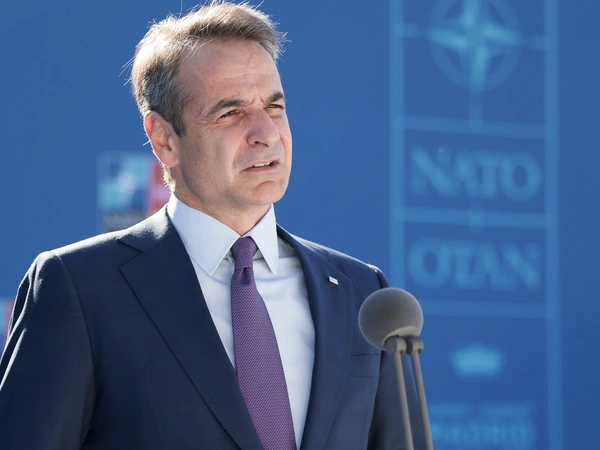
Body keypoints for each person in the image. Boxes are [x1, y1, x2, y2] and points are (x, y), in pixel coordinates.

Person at [0, 1, 424, 448]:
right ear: (164, 139)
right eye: (230, 113)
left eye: (275, 107)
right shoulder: (80, 289)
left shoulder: (362, 293)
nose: (266, 133)